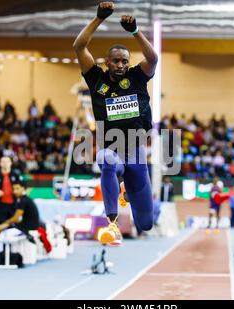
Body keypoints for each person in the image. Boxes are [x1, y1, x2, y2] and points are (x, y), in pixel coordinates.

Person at [73, 2, 158, 246]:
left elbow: (152, 57)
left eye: (124, 61)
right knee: (106, 161)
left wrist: (135, 31)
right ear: (107, 62)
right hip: (111, 148)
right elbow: (79, 46)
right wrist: (98, 19)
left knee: (145, 223)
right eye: (116, 61)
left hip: (136, 154)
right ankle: (112, 222)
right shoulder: (96, 79)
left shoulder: (137, 77)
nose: (120, 65)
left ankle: (126, 191)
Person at [0, 157, 23, 224]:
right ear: (0, 164)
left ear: (11, 163)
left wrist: (17, 191)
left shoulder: (15, 174)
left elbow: (22, 186)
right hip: (1, 205)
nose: (5, 163)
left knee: (14, 225)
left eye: (7, 161)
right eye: (3, 162)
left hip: (13, 205)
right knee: (2, 224)